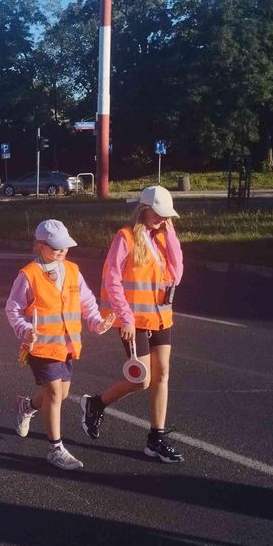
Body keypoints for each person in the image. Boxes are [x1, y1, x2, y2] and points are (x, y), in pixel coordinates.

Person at [81, 186, 184, 463]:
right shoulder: (124, 238)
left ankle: (156, 438)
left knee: (162, 376)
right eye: (159, 215)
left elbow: (177, 275)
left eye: (167, 217)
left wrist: (171, 235)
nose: (163, 220)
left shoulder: (163, 237)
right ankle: (96, 403)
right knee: (142, 380)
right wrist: (124, 318)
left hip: (161, 317)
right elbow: (112, 279)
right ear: (144, 210)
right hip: (133, 320)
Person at [5, 220, 114, 470]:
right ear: (41, 246)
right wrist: (25, 329)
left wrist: (97, 322)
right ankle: (55, 449)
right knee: (55, 394)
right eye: (56, 248)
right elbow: (13, 309)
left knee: (61, 394)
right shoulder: (29, 274)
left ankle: (27, 406)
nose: (62, 252)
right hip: (42, 346)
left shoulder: (73, 270)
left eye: (65, 247)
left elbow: (86, 301)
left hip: (67, 345)